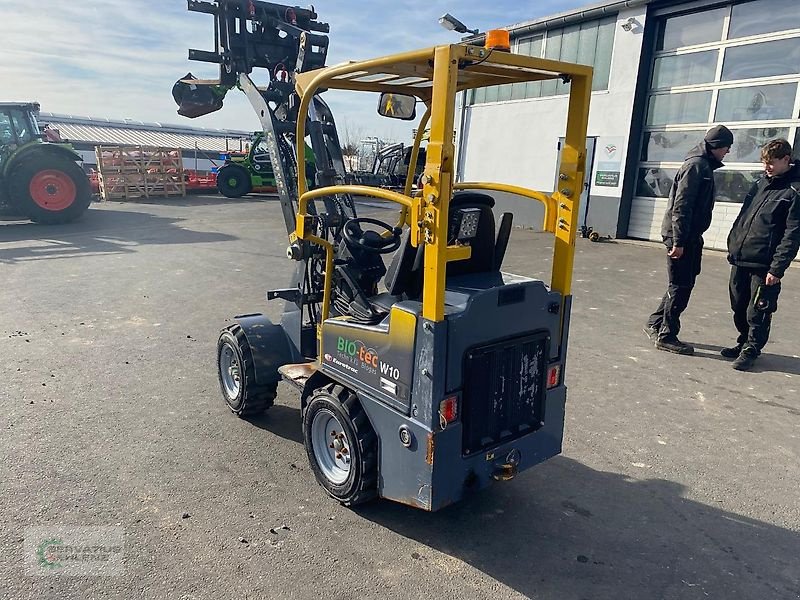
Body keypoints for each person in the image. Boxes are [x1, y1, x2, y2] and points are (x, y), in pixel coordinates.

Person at [644, 125, 734, 354]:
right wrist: (679, 242)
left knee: (683, 281)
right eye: (726, 148)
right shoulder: (697, 166)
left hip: (689, 236)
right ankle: (666, 335)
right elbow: (681, 206)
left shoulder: (702, 165)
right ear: (716, 146)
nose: (728, 152)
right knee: (681, 285)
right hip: (681, 236)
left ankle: (655, 322)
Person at [723, 138, 800, 371]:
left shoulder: (793, 191)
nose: (767, 167)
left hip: (765, 264)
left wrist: (777, 268)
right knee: (739, 305)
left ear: (786, 160)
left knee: (758, 309)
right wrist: (733, 243)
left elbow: (793, 233)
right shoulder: (760, 184)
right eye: (764, 162)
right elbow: (744, 217)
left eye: (771, 163)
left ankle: (752, 348)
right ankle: (743, 340)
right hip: (741, 257)